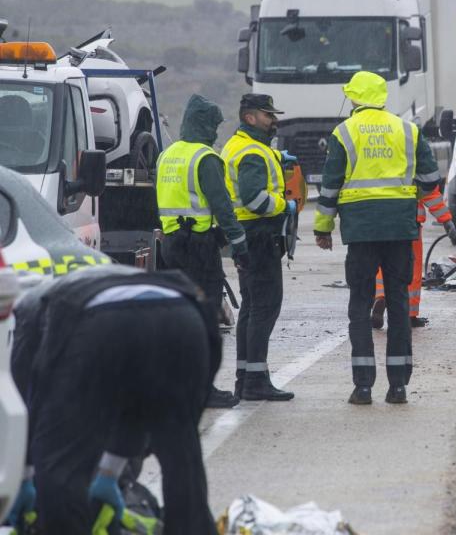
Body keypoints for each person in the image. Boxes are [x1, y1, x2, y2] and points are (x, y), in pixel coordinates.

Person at [6, 265, 220, 534]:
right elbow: (133, 404)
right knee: (180, 451)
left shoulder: (27, 309)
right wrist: (109, 472)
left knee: (59, 465)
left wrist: (23, 474)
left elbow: (26, 396)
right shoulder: (87, 281)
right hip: (185, 315)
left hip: (102, 323)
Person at [314, 71, 443, 405]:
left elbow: (329, 186)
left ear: (355, 98)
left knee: (360, 304)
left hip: (360, 232)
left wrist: (323, 228)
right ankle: (398, 386)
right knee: (399, 304)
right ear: (383, 97)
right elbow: (430, 179)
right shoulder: (408, 130)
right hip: (400, 229)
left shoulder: (344, 132)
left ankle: (363, 387)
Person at [157, 94, 248, 409]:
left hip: (171, 246)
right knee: (206, 320)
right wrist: (238, 242)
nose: (216, 132)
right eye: (214, 125)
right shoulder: (205, 158)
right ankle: (203, 388)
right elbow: (222, 206)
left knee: (180, 317)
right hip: (199, 246)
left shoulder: (167, 155)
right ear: (206, 124)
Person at [221, 94, 295, 401]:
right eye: (268, 115)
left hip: (245, 235)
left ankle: (246, 377)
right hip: (259, 236)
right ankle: (255, 381)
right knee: (265, 306)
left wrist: (278, 161)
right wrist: (284, 205)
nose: (273, 120)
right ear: (250, 117)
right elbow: (254, 198)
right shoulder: (252, 151)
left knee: (252, 308)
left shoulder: (242, 145)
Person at [371, 184, 456, 329]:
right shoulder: (414, 160)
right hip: (409, 218)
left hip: (380, 215)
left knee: (382, 260)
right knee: (411, 265)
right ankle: (409, 314)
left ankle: (381, 295)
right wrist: (445, 219)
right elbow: (428, 188)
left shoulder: (372, 160)